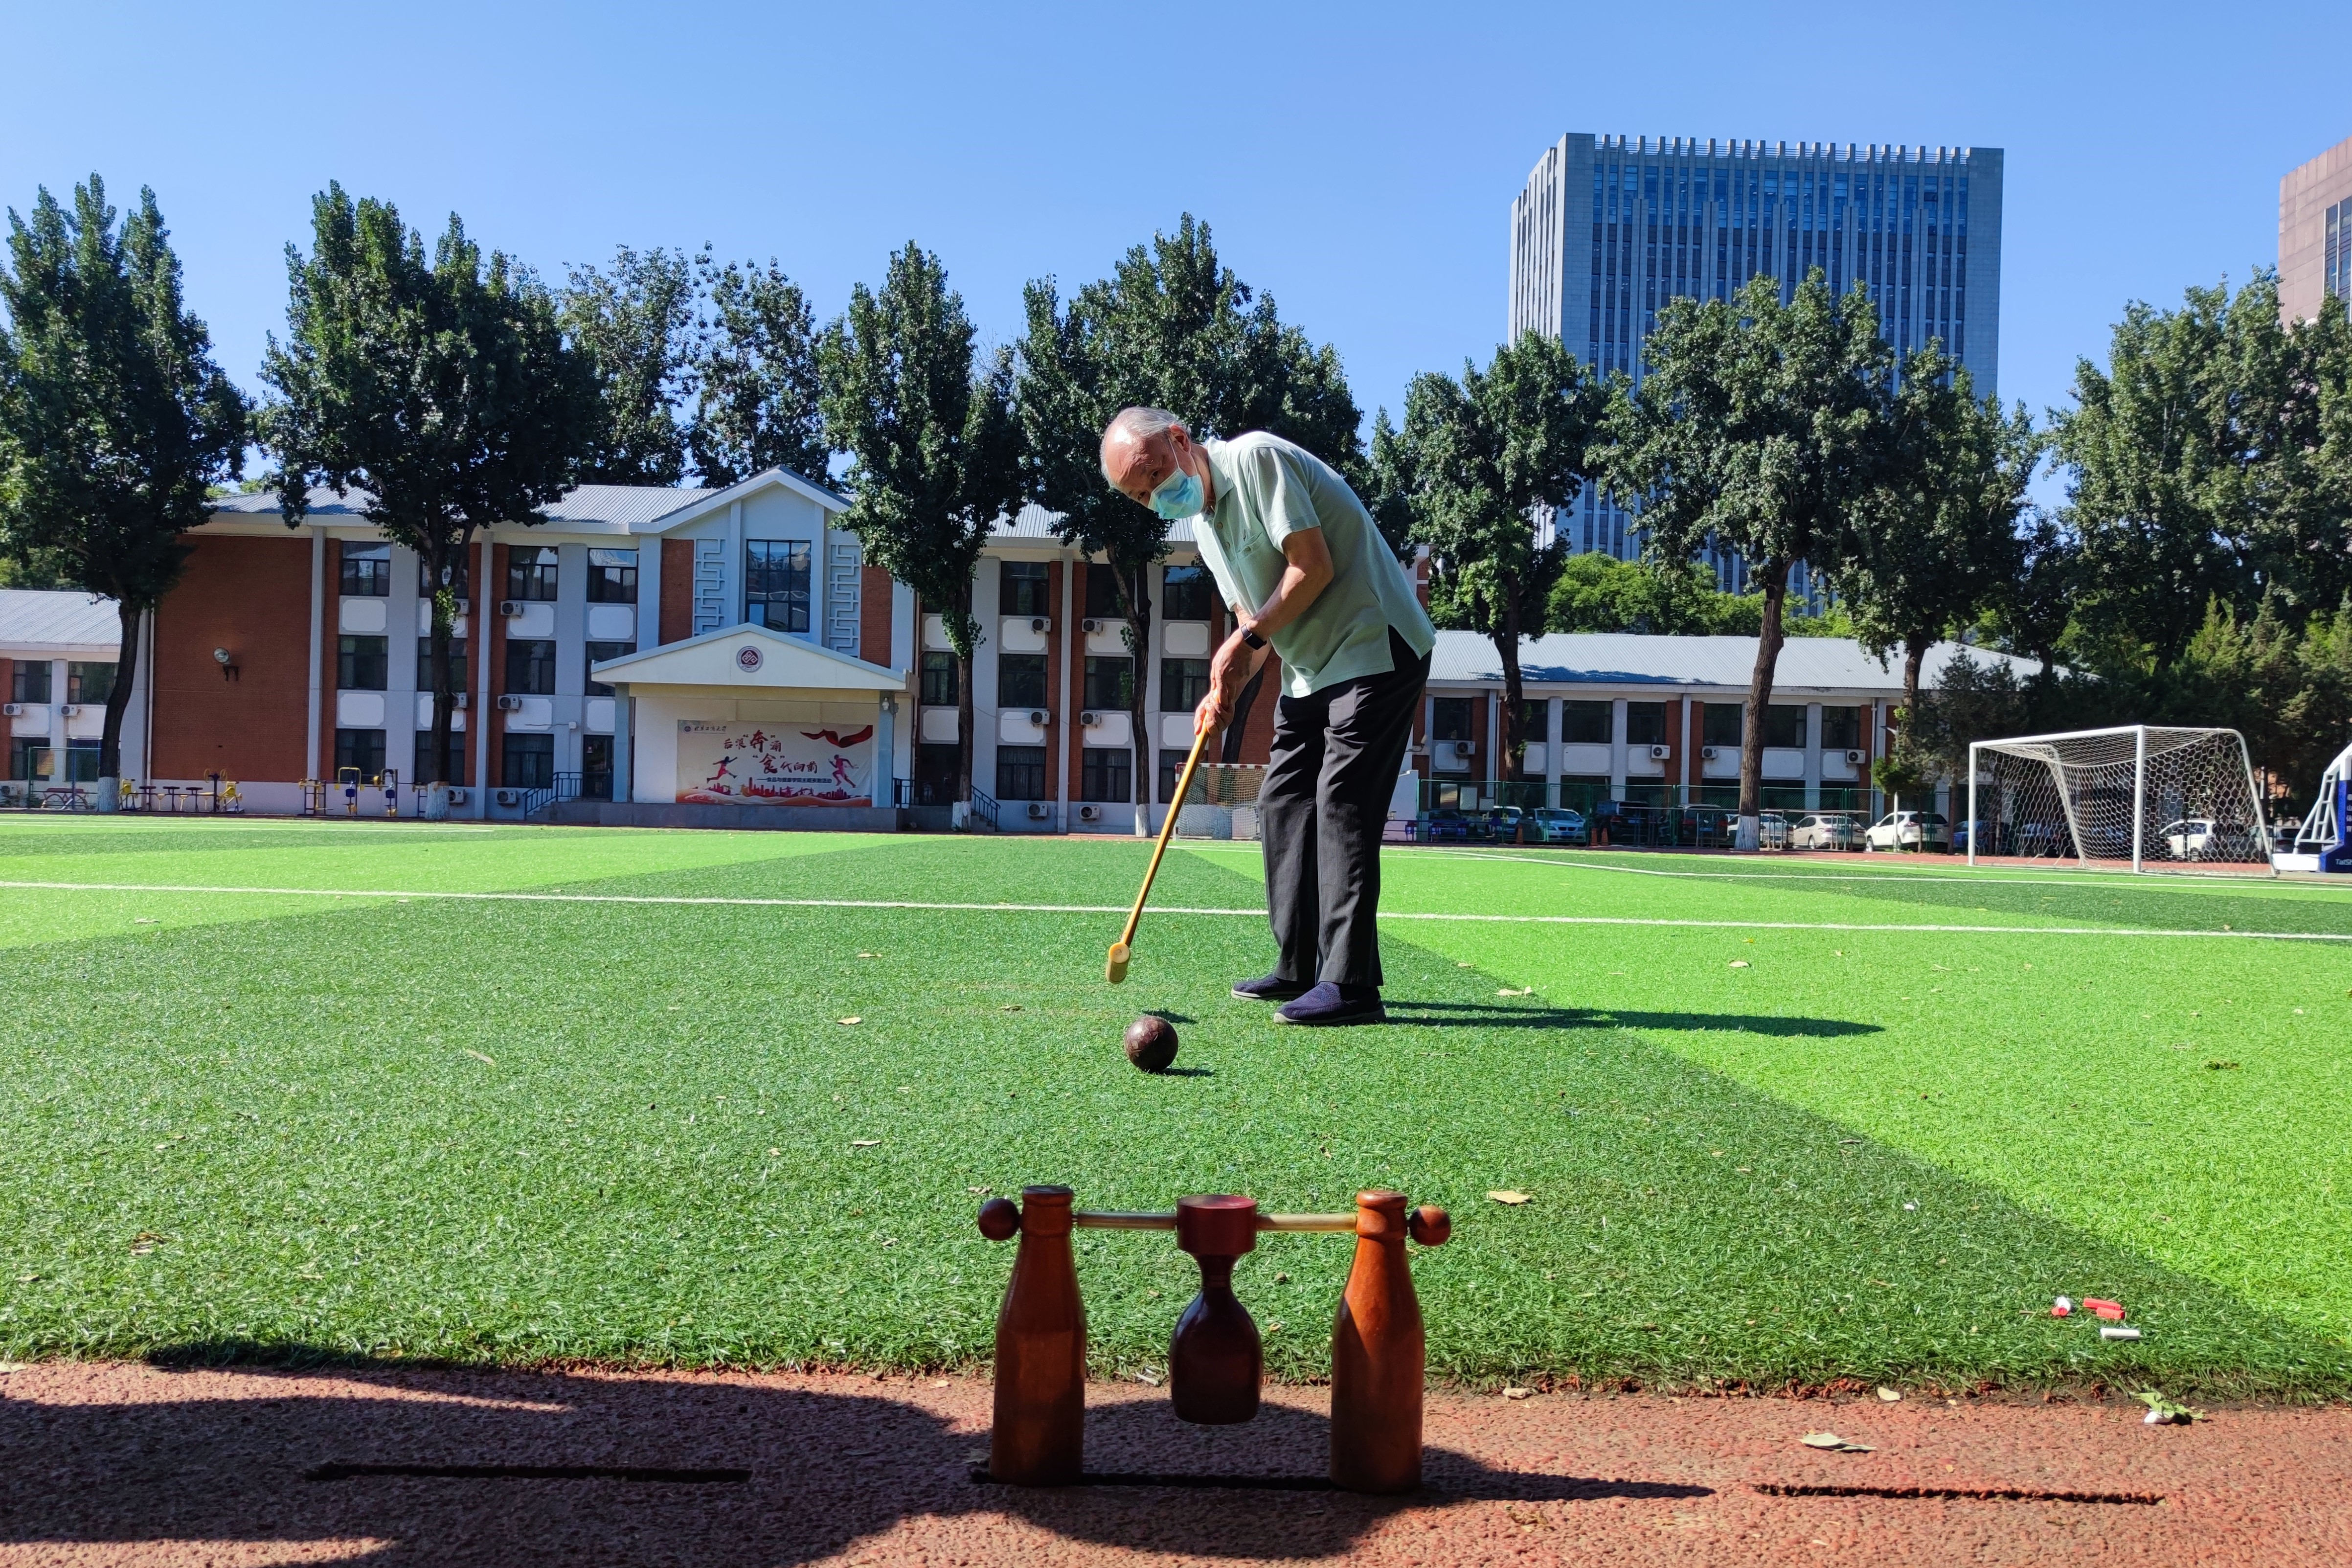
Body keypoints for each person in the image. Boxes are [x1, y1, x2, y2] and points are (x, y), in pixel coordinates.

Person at [1100, 408, 1435, 1026]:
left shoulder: (1256, 459)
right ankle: (1298, 964)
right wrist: (1224, 687)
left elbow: (1312, 567)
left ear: (1179, 439)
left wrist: (1245, 641)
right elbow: (1255, 627)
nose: (1154, 496)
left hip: (1374, 646)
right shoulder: (1204, 528)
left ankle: (1351, 985)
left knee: (1341, 801)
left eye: (1153, 475)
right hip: (1310, 670)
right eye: (1140, 496)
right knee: (1281, 801)